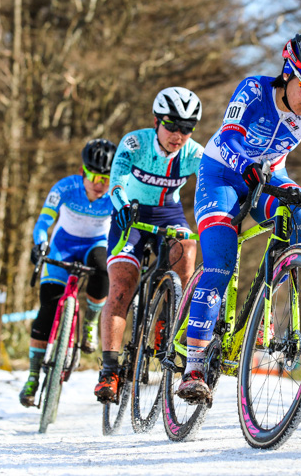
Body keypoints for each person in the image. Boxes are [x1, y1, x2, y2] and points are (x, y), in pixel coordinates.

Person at [178, 29, 301, 402]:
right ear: (288, 70)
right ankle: (194, 365)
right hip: (223, 172)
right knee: (219, 263)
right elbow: (231, 137)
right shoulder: (253, 90)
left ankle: (270, 290)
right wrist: (248, 166)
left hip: (269, 175)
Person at [93, 87, 204, 402]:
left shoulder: (195, 153)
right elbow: (116, 181)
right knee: (122, 285)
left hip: (169, 214)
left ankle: (165, 325)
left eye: (186, 128)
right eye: (171, 125)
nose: (178, 134)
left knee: (187, 257)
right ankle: (109, 370)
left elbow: (215, 181)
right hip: (131, 212)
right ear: (156, 120)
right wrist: (122, 204)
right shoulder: (134, 143)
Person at [19, 139, 117, 407]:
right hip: (62, 246)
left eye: (106, 178)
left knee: (102, 267)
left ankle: (89, 324)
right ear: (83, 172)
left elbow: (125, 228)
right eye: (95, 177)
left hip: (94, 245)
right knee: (48, 308)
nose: (100, 184)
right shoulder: (65, 187)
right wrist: (40, 245)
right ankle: (32, 376)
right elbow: (43, 222)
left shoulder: (116, 193)